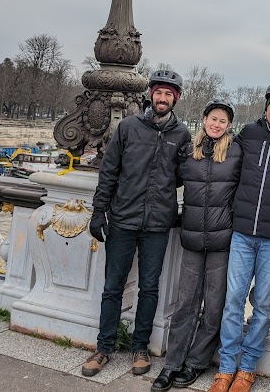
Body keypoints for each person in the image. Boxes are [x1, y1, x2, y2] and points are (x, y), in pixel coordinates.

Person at [82, 70, 191, 378]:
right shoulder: (128, 127)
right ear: (151, 95)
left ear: (175, 100)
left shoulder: (181, 134)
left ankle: (139, 347)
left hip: (157, 223)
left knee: (149, 287)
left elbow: (185, 175)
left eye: (170, 94)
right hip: (123, 219)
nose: (163, 98)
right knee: (113, 286)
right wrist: (98, 211)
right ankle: (103, 347)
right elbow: (109, 172)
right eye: (160, 92)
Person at [209, 82, 270, 392]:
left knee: (263, 305)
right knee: (232, 301)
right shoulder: (249, 133)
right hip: (243, 233)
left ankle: (247, 368)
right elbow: (220, 152)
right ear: (266, 108)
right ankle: (225, 367)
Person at [152, 100, 243, 391]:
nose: (217, 124)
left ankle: (196, 362)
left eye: (223, 121)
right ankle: (172, 364)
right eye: (213, 119)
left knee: (214, 306)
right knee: (185, 304)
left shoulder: (236, 152)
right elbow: (165, 180)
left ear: (229, 126)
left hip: (221, 241)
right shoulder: (189, 152)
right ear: (204, 120)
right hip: (191, 238)